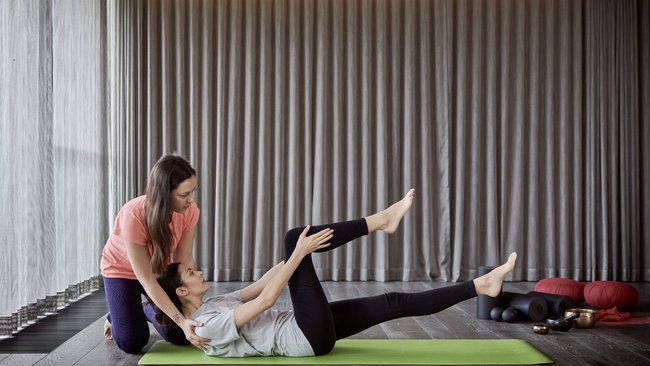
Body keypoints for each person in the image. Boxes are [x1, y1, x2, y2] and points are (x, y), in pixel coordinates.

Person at [153, 188, 519, 357]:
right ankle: (382, 220)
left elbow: (261, 285)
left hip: (309, 328)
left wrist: (297, 258)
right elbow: (267, 299)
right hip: (304, 336)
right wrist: (298, 252)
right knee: (295, 237)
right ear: (182, 293)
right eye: (189, 272)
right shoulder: (204, 327)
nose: (197, 270)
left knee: (392, 302)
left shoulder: (214, 303)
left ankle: (481, 285)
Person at [100, 153, 210, 354]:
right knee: (132, 342)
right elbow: (147, 280)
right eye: (184, 195)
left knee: (180, 333)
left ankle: (143, 307)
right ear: (164, 194)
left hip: (159, 270)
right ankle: (119, 314)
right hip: (121, 272)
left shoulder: (190, 211)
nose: (191, 200)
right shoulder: (133, 214)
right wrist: (180, 317)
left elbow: (184, 259)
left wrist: (191, 303)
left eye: (192, 192)